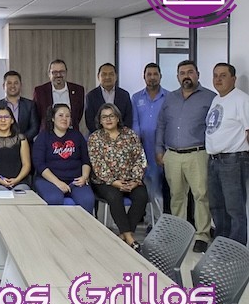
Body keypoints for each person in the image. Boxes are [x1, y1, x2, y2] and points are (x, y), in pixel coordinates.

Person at [156, 60, 215, 253]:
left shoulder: (210, 98)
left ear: (198, 74)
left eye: (190, 72)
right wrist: (159, 149)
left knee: (201, 196)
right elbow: (162, 124)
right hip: (172, 154)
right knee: (177, 196)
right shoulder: (170, 98)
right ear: (177, 77)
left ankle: (202, 235)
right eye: (182, 73)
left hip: (198, 154)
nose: (186, 76)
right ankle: (179, 234)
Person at [88, 103, 148, 251]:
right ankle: (129, 238)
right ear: (100, 120)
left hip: (130, 179)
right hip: (104, 182)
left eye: (111, 116)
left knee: (142, 195)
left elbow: (140, 158)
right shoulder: (95, 138)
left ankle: (124, 235)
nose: (108, 119)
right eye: (104, 117)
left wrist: (135, 180)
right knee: (114, 197)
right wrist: (114, 182)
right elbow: (97, 164)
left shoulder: (130, 135)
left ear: (118, 118)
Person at [205, 63, 249, 245]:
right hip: (214, 160)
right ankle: (221, 245)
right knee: (217, 207)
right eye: (215, 75)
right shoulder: (217, 99)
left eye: (223, 75)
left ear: (233, 79)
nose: (218, 79)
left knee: (234, 209)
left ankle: (235, 250)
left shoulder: (241, 99)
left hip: (233, 160)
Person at [32, 104, 94, 213]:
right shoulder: (43, 137)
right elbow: (39, 164)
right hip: (49, 181)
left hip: (75, 180)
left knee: (87, 200)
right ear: (53, 118)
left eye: (67, 116)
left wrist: (84, 177)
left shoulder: (77, 136)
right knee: (53, 199)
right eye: (60, 115)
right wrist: (58, 183)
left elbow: (86, 160)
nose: (64, 118)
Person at [131, 63, 169, 223]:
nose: (152, 77)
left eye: (155, 74)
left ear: (160, 76)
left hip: (163, 147)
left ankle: (163, 221)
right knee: (148, 184)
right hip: (143, 147)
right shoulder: (136, 98)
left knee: (162, 186)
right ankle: (151, 220)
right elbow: (135, 122)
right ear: (144, 77)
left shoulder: (169, 97)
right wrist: (137, 145)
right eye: (149, 74)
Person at [0, 106, 31, 191]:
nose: (3, 120)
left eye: (6, 117)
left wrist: (17, 179)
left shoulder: (21, 139)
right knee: (0, 193)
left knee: (21, 194)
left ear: (12, 120)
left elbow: (26, 165)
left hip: (19, 181)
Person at [0, 70, 39, 146]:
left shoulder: (30, 105)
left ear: (21, 85)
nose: (13, 86)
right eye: (9, 83)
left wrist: (20, 140)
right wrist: (5, 142)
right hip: (1, 147)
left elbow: (34, 128)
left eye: (16, 83)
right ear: (3, 86)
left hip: (25, 146)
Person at [33, 59, 85, 131]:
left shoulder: (78, 90)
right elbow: (37, 115)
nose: (58, 75)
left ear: (66, 73)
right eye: (54, 72)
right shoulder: (40, 91)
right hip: (48, 133)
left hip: (71, 132)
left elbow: (78, 114)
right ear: (49, 74)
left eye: (62, 72)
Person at [85, 63, 133, 133]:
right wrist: (103, 136)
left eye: (111, 74)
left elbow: (128, 119)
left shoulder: (124, 95)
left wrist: (118, 135)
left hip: (121, 136)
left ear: (116, 76)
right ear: (98, 76)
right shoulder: (91, 96)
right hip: (98, 136)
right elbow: (90, 121)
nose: (107, 77)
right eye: (104, 74)